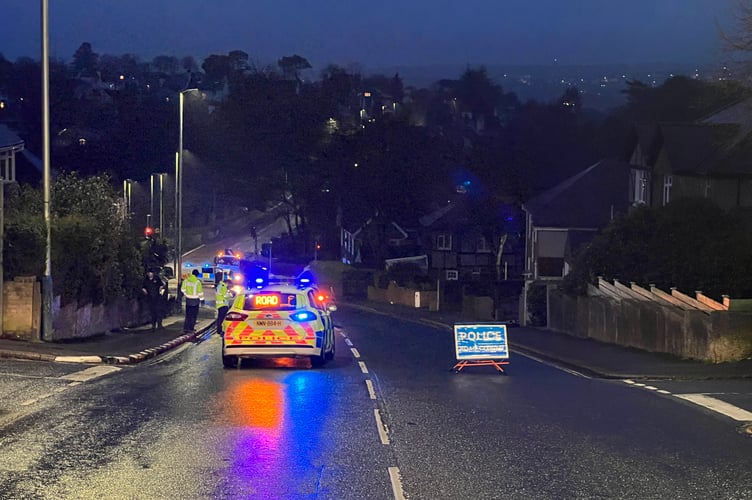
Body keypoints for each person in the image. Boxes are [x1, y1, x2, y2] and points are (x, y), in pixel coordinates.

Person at [181, 269, 204, 333]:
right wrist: (202, 300)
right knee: (194, 315)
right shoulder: (197, 282)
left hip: (188, 299)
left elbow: (182, 289)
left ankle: (186, 328)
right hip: (195, 300)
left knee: (188, 314)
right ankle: (191, 328)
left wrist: (186, 294)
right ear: (197, 275)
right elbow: (200, 292)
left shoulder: (186, 280)